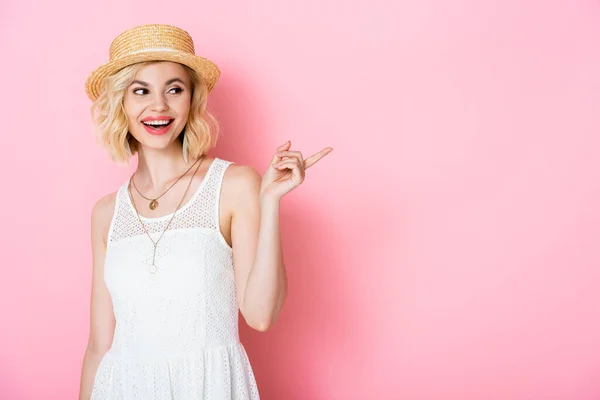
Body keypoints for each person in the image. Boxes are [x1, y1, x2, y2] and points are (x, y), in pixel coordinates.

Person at [78, 24, 333, 400]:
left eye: (174, 89)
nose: (159, 106)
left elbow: (261, 316)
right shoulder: (106, 213)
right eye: (140, 90)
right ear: (121, 104)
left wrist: (270, 201)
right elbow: (99, 346)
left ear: (192, 99)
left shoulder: (235, 185)